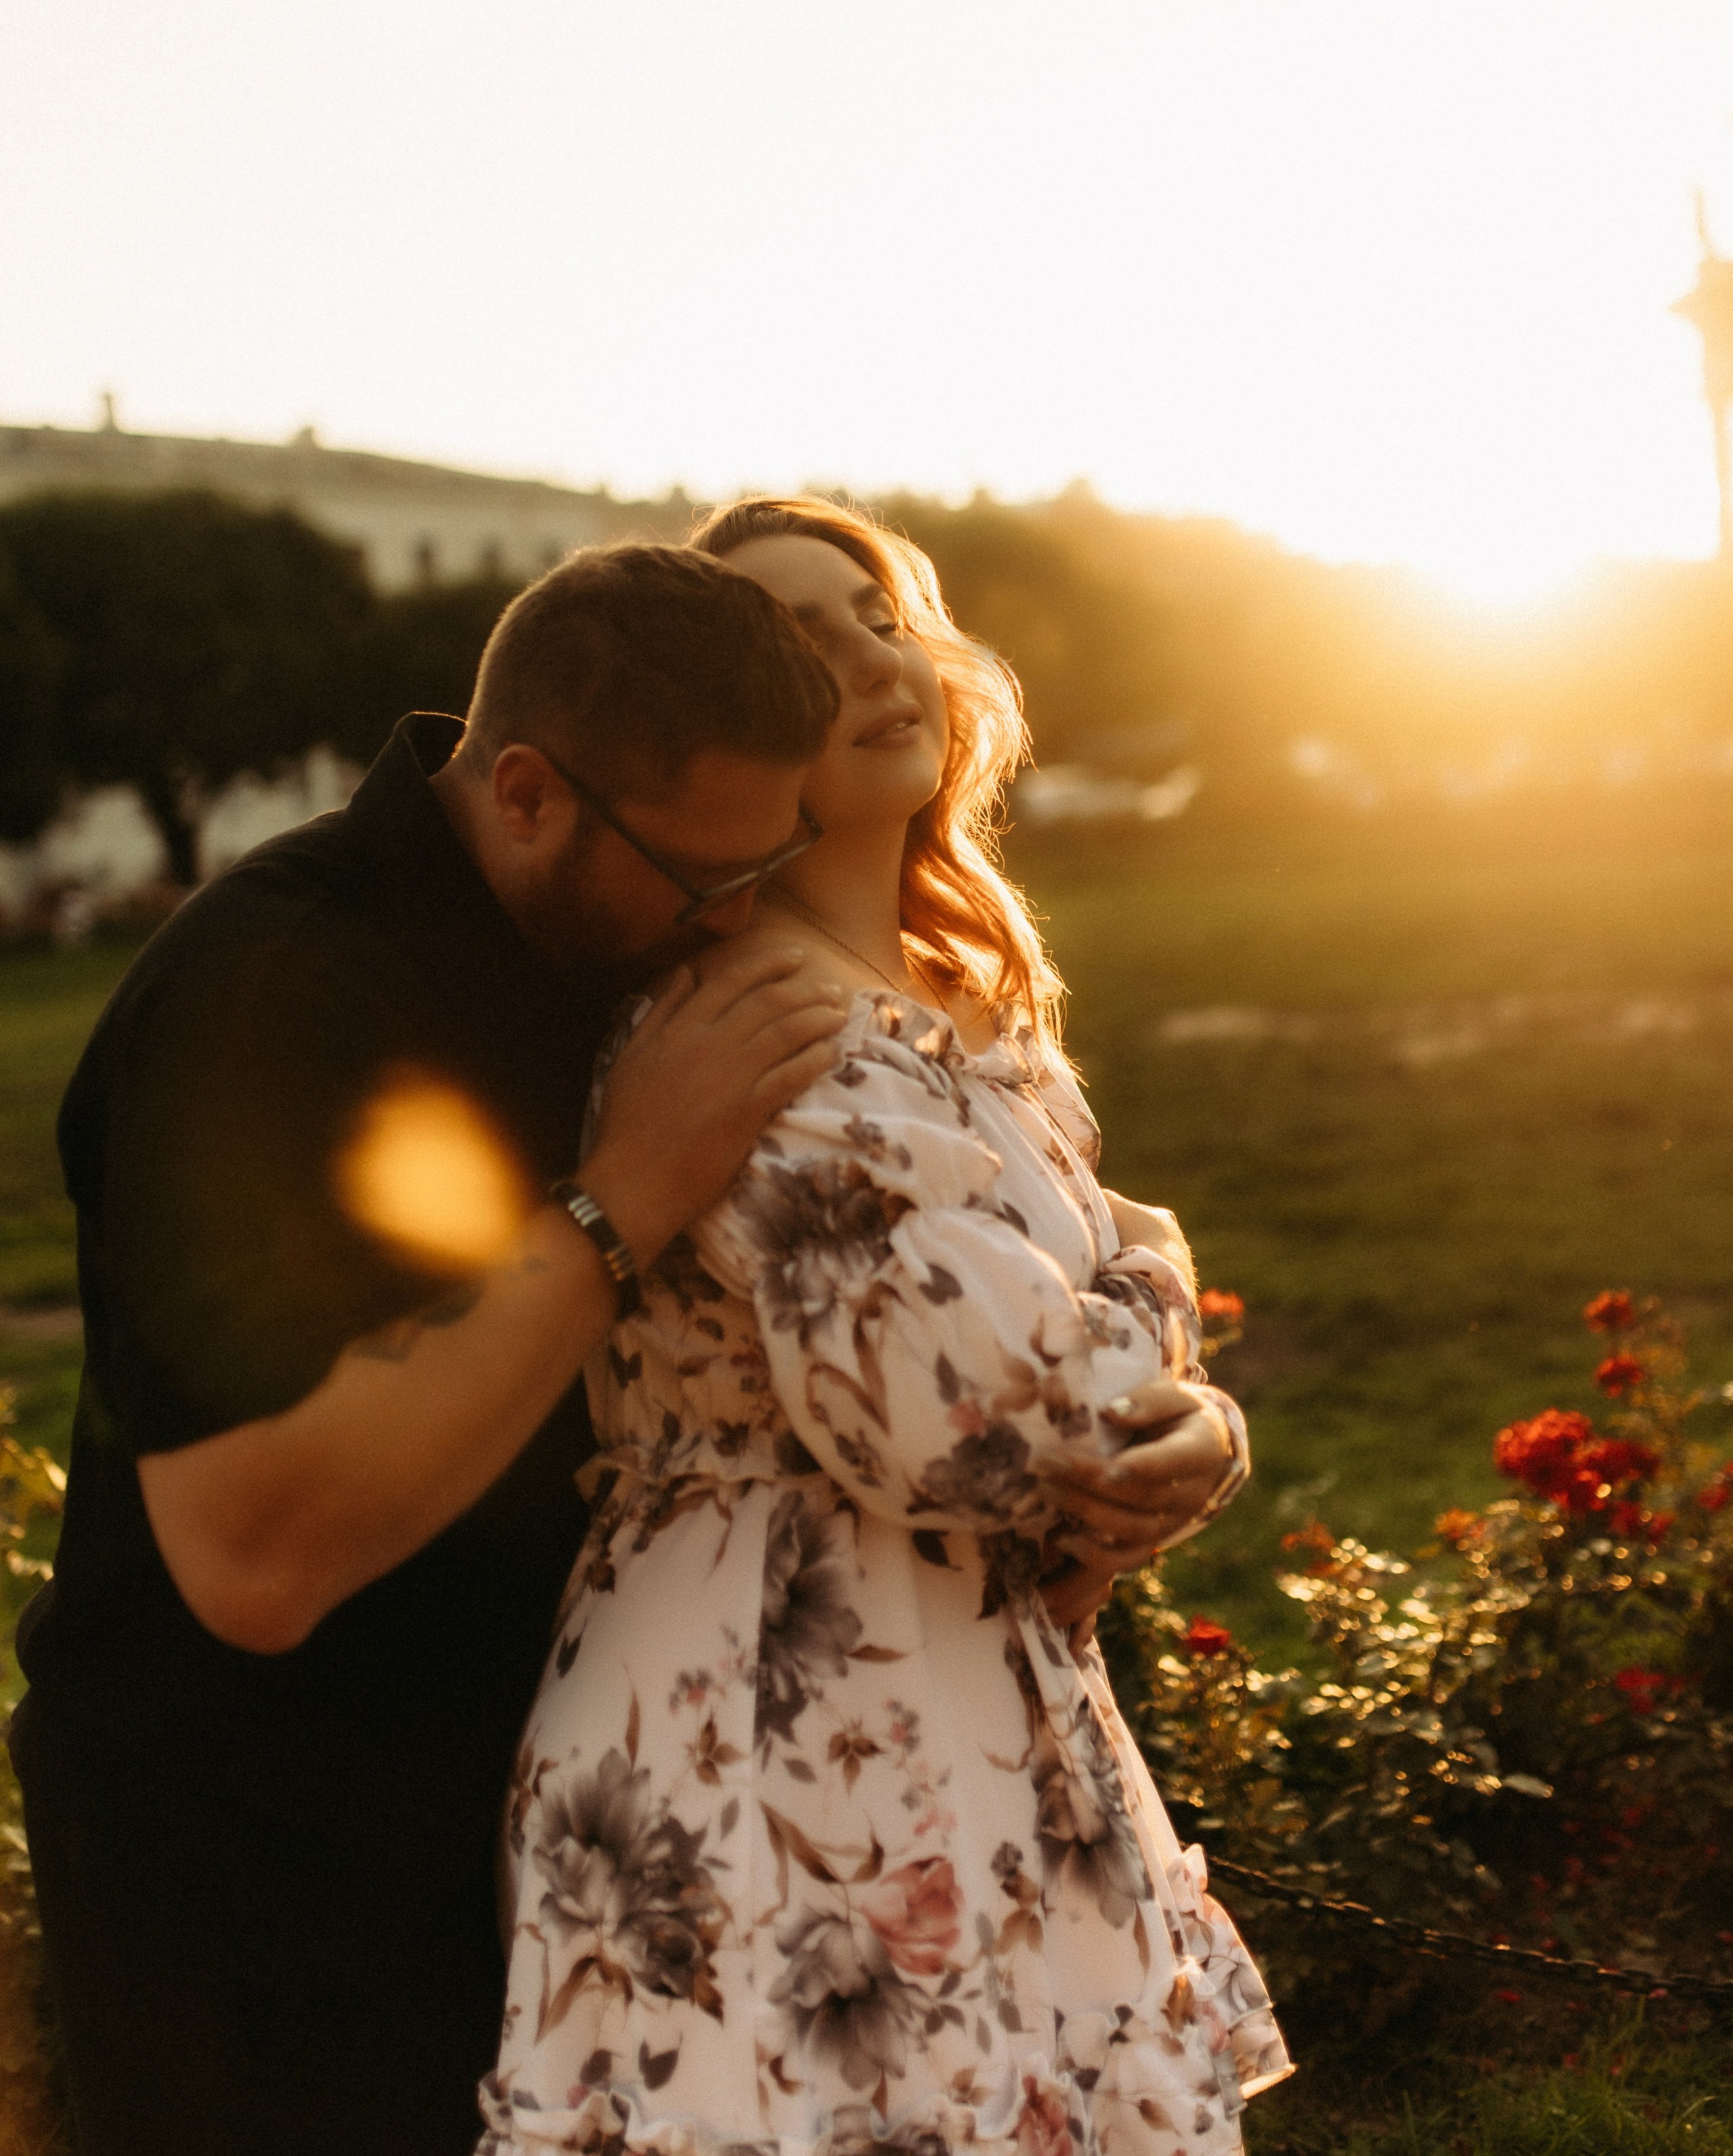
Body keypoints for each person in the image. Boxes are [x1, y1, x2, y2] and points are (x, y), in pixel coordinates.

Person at [12, 544, 854, 2156]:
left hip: (544, 1820)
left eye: (774, 860)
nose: (738, 919)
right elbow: (255, 1557)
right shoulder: (264, 999)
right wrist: (621, 1206)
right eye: (701, 883)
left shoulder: (595, 941)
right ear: (527, 791)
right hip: (259, 1886)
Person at [483, 500, 1291, 2156]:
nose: (869, 656)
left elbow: (1084, 1402)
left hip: (952, 1684)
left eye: (879, 612)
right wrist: (1157, 1303)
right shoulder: (754, 1026)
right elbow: (975, 1421)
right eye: (798, 640)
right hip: (777, 1717)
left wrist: (1182, 1412)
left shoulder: (958, 1019)